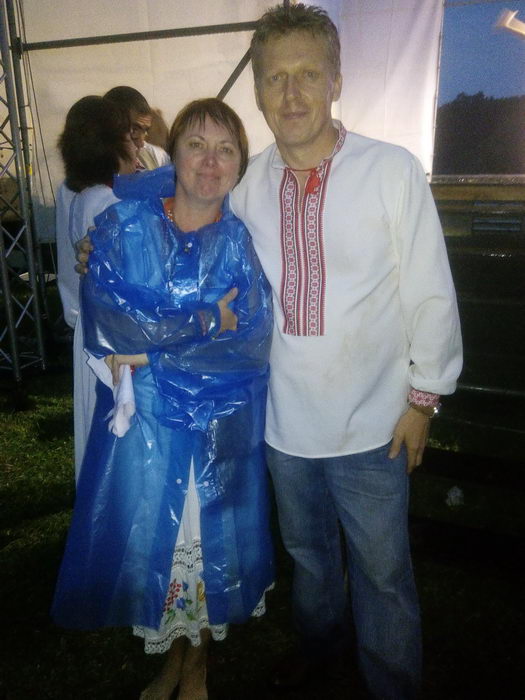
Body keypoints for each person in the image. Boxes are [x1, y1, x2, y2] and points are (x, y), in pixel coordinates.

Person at [228, 4, 462, 699]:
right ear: (258, 91)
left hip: (374, 426)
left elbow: (429, 289)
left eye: (308, 74)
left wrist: (422, 401)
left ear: (336, 81)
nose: (291, 93)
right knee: (308, 557)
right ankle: (321, 658)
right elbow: (186, 228)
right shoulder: (246, 188)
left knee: (381, 571)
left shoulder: (390, 170)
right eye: (275, 78)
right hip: (285, 427)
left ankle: (391, 683)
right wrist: (106, 243)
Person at [52, 98, 274, 700]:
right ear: (171, 153)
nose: (210, 161)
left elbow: (250, 345)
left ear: (239, 165)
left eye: (225, 149)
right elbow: (111, 322)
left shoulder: (240, 244)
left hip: (217, 432)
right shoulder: (125, 226)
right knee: (163, 550)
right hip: (148, 432)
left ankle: (196, 668)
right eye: (196, 145)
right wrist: (204, 321)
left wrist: (154, 351)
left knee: (205, 553)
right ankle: (174, 661)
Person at [55, 95, 138, 480]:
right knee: (114, 417)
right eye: (130, 136)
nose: (136, 145)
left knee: (98, 416)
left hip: (92, 325)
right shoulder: (107, 200)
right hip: (112, 332)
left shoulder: (82, 195)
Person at [104, 85, 171, 170]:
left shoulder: (157, 157)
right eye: (134, 130)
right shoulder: (92, 166)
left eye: (145, 130)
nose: (141, 144)